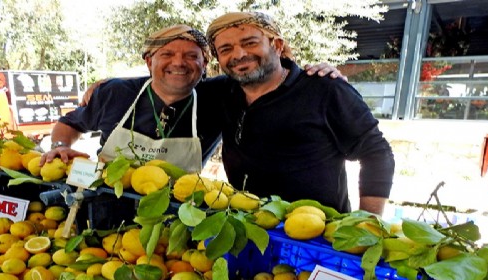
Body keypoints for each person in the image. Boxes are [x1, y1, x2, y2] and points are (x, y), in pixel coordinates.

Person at [40, 24, 341, 172]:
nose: (179, 62)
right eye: (167, 54)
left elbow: (267, 74)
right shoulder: (115, 92)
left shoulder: (221, 95)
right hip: (106, 206)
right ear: (149, 62)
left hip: (179, 218)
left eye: (191, 56)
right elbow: (70, 124)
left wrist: (311, 72)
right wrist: (59, 147)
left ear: (205, 66)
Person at [205, 12, 395, 215]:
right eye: (226, 49)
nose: (239, 54)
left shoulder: (325, 89)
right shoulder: (220, 92)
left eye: (250, 43)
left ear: (277, 45)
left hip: (316, 234)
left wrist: (367, 222)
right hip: (247, 226)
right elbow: (177, 86)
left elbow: (376, 152)